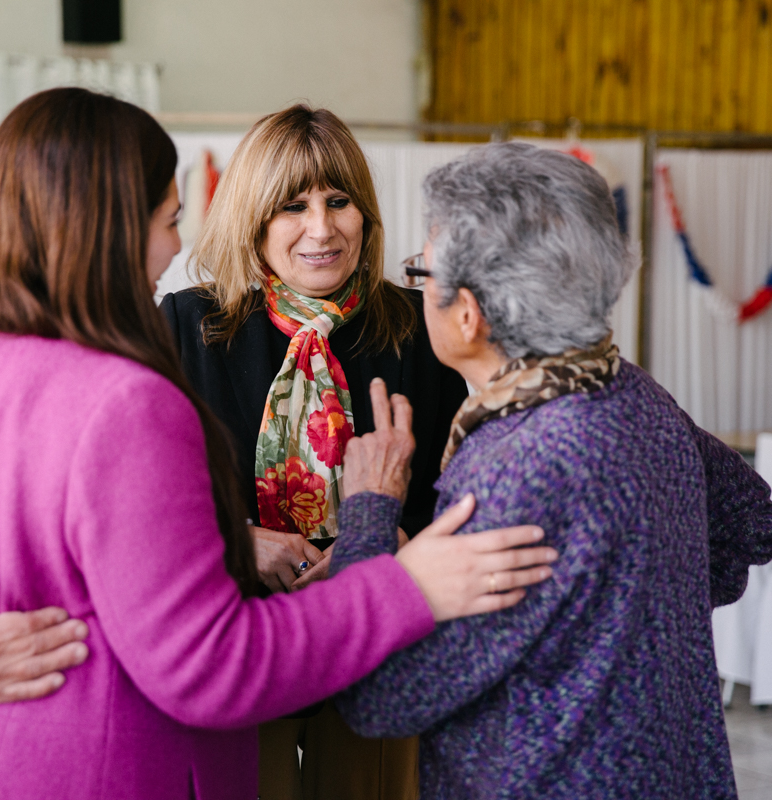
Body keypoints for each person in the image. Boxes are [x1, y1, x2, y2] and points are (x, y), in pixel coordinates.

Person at [0, 89, 558, 800]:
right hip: (94, 760)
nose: (175, 248)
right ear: (114, 232)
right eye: (170, 221)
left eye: (337, 202)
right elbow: (209, 667)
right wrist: (403, 584)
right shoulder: (128, 392)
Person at [326, 142, 772, 799]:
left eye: (421, 273)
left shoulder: (515, 467)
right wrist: (627, 617)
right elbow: (753, 524)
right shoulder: (636, 394)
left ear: (468, 313)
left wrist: (369, 512)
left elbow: (379, 698)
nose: (417, 291)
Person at [159, 105, 467, 800]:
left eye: (338, 201)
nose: (322, 229)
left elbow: (460, 494)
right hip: (240, 638)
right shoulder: (186, 327)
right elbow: (142, 501)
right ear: (253, 219)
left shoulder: (422, 328)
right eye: (293, 206)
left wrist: (394, 540)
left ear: (366, 214)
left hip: (379, 639)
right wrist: (236, 540)